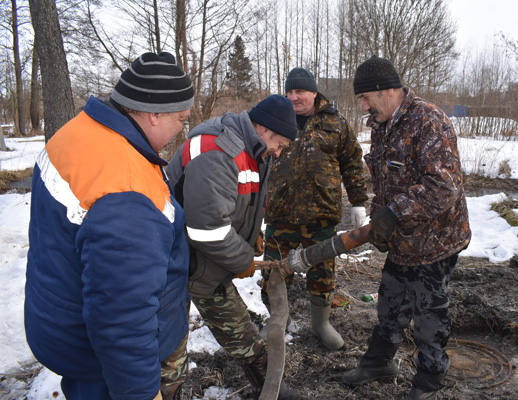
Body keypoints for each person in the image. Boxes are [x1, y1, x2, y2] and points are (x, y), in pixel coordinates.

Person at [25, 52, 194, 400]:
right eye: (181, 119)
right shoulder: (125, 187)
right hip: (103, 361)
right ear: (154, 114)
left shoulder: (78, 134)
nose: (182, 129)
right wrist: (141, 392)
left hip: (63, 323)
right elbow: (122, 317)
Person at [341, 56, 471, 400]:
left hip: (436, 241)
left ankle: (429, 382)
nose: (365, 107)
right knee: (390, 302)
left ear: (388, 91)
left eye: (367, 98)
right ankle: (379, 363)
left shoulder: (429, 121)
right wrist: (379, 217)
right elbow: (384, 180)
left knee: (428, 316)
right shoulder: (381, 124)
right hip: (403, 239)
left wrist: (393, 214)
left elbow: (443, 187)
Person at [166, 95, 300, 400]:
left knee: (241, 331)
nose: (279, 153)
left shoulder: (254, 150)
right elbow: (206, 228)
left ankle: (268, 388)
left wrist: (251, 235)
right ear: (264, 130)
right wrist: (242, 260)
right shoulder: (218, 150)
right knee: (168, 353)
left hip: (206, 262)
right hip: (172, 263)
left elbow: (240, 200)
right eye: (280, 144)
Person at [262, 67, 369, 351]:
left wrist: (358, 201)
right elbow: (259, 160)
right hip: (280, 212)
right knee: (274, 269)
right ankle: (276, 320)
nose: (294, 97)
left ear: (313, 92)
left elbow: (352, 162)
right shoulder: (274, 120)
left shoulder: (334, 123)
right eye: (290, 92)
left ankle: (321, 323)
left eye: (300, 92)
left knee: (322, 270)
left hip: (321, 213)